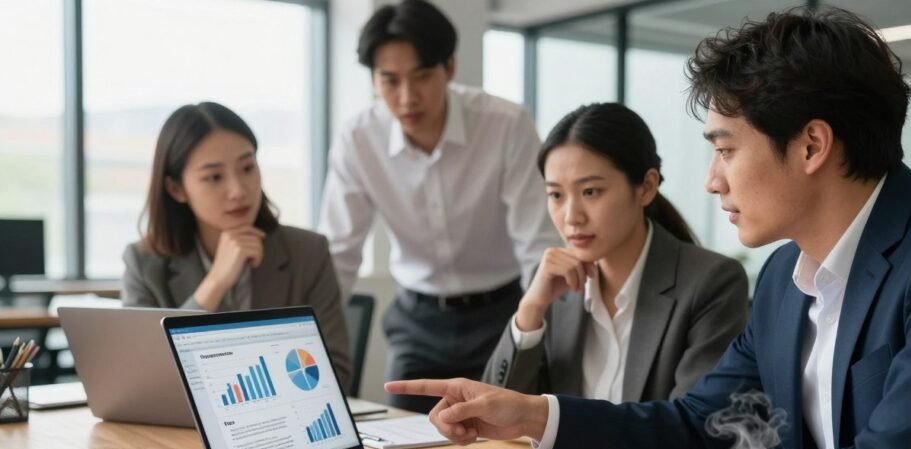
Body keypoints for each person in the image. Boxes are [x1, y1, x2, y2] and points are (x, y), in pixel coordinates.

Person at [386, 8, 911, 449]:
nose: (713, 181)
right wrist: (535, 415)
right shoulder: (783, 277)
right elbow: (700, 425)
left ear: (811, 144)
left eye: (725, 150)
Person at [317, 0, 560, 413]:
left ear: (449, 66)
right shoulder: (358, 139)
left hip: (502, 310)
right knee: (403, 439)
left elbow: (536, 244)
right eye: (389, 80)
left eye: (422, 76)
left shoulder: (504, 124)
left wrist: (539, 328)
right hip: (418, 319)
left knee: (507, 438)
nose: (407, 97)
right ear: (374, 80)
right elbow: (338, 256)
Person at [481, 103, 748, 402]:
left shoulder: (710, 283)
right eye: (556, 195)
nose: (571, 217)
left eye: (590, 192)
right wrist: (530, 310)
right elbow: (497, 412)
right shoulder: (552, 287)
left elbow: (691, 428)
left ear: (646, 187)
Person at [123, 102, 353, 389]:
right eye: (214, 177)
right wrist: (215, 284)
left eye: (247, 167)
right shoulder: (143, 262)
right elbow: (142, 381)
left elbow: (336, 373)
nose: (238, 190)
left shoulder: (308, 252)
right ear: (176, 189)